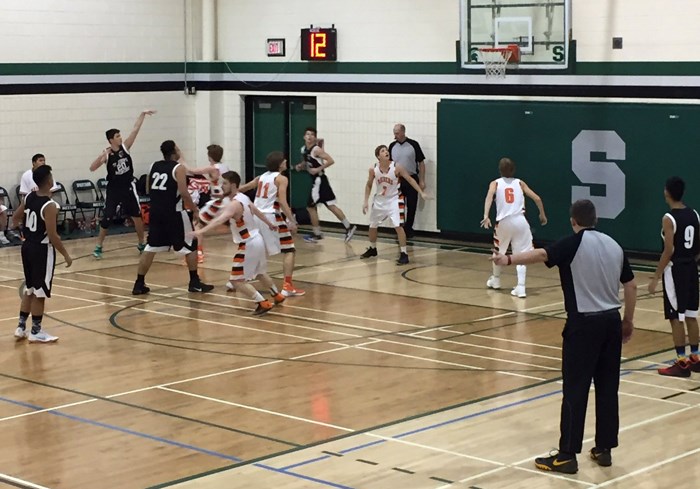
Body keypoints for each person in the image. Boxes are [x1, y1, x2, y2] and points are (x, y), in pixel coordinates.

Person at [492, 199, 636, 474]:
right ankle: (604, 449)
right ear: (596, 219)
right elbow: (631, 285)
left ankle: (567, 454)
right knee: (607, 389)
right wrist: (627, 321)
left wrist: (508, 259)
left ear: (574, 221)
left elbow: (541, 255)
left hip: (583, 325)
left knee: (575, 389)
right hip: (611, 322)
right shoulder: (615, 245)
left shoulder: (574, 243)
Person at [192, 171, 286, 315]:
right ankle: (277, 295)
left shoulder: (234, 204)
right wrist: (269, 224)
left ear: (233, 185)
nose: (221, 186)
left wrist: (201, 231)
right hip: (257, 239)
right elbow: (255, 210)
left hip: (248, 243)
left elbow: (219, 219)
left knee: (236, 280)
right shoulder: (243, 197)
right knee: (260, 272)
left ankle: (262, 302)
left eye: (225, 183)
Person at [131, 140, 213, 295]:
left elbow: (148, 188)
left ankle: (139, 283)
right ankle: (194, 282)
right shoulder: (179, 168)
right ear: (174, 152)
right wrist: (195, 210)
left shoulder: (153, 165)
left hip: (156, 212)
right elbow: (183, 192)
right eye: (178, 148)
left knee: (150, 247)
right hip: (174, 213)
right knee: (191, 244)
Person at [12, 165, 73, 343]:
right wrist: (66, 255)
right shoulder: (50, 205)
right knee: (40, 293)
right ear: (49, 180)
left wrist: (25, 234)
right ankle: (36, 331)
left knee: (29, 289)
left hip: (27, 247)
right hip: (41, 249)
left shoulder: (29, 197)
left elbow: (15, 218)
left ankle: (21, 326)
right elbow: (53, 236)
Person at [648, 176, 700, 377]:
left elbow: (669, 249)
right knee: (690, 314)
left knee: (675, 317)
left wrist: (656, 276)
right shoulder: (694, 214)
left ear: (667, 192)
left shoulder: (668, 218)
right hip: (691, 268)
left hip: (675, 269)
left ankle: (681, 362)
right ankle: (695, 357)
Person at [90, 110, 155, 259]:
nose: (121, 138)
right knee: (107, 218)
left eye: (120, 135)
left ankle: (141, 243)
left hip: (128, 187)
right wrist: (100, 158)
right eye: (118, 136)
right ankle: (99, 246)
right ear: (111, 140)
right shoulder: (107, 154)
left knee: (137, 216)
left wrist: (142, 115)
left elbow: (135, 130)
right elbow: (92, 168)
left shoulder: (125, 148)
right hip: (113, 189)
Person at [239, 151, 305, 296]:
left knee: (254, 247)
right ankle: (287, 286)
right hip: (271, 216)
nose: (286, 162)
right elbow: (282, 201)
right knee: (289, 250)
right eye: (284, 160)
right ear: (280, 164)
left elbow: (242, 189)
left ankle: (237, 278)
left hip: (256, 215)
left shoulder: (261, 177)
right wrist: (292, 220)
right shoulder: (281, 179)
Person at [480, 157, 547, 298]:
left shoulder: (495, 183)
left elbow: (489, 196)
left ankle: (496, 280)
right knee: (521, 255)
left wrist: (486, 215)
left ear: (499, 170)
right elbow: (538, 198)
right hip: (520, 221)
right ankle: (521, 287)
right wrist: (542, 215)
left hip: (504, 222)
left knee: (498, 251)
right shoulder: (520, 183)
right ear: (514, 169)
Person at [361, 145, 428, 265]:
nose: (386, 152)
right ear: (378, 156)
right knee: (372, 226)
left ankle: (404, 253)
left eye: (386, 150)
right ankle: (372, 248)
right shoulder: (373, 169)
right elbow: (369, 185)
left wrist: (421, 192)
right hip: (379, 201)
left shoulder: (396, 167)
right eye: (383, 151)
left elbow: (410, 179)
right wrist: (365, 201)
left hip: (394, 200)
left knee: (398, 226)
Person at [295, 127, 356, 243]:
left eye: (312, 134)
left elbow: (330, 160)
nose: (309, 136)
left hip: (319, 180)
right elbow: (307, 162)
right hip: (318, 181)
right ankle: (349, 227)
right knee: (330, 205)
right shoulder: (303, 149)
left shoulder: (316, 149)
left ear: (315, 137)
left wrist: (318, 168)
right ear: (304, 137)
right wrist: (300, 166)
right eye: (307, 134)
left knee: (310, 207)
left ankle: (317, 234)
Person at [389, 124, 426, 239]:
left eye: (397, 133)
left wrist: (422, 180)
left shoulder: (413, 145)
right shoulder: (392, 146)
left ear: (403, 132)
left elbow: (421, 163)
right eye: (394, 132)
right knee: (398, 206)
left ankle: (408, 228)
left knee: (411, 205)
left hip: (411, 178)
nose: (395, 135)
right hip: (397, 180)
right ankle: (400, 228)